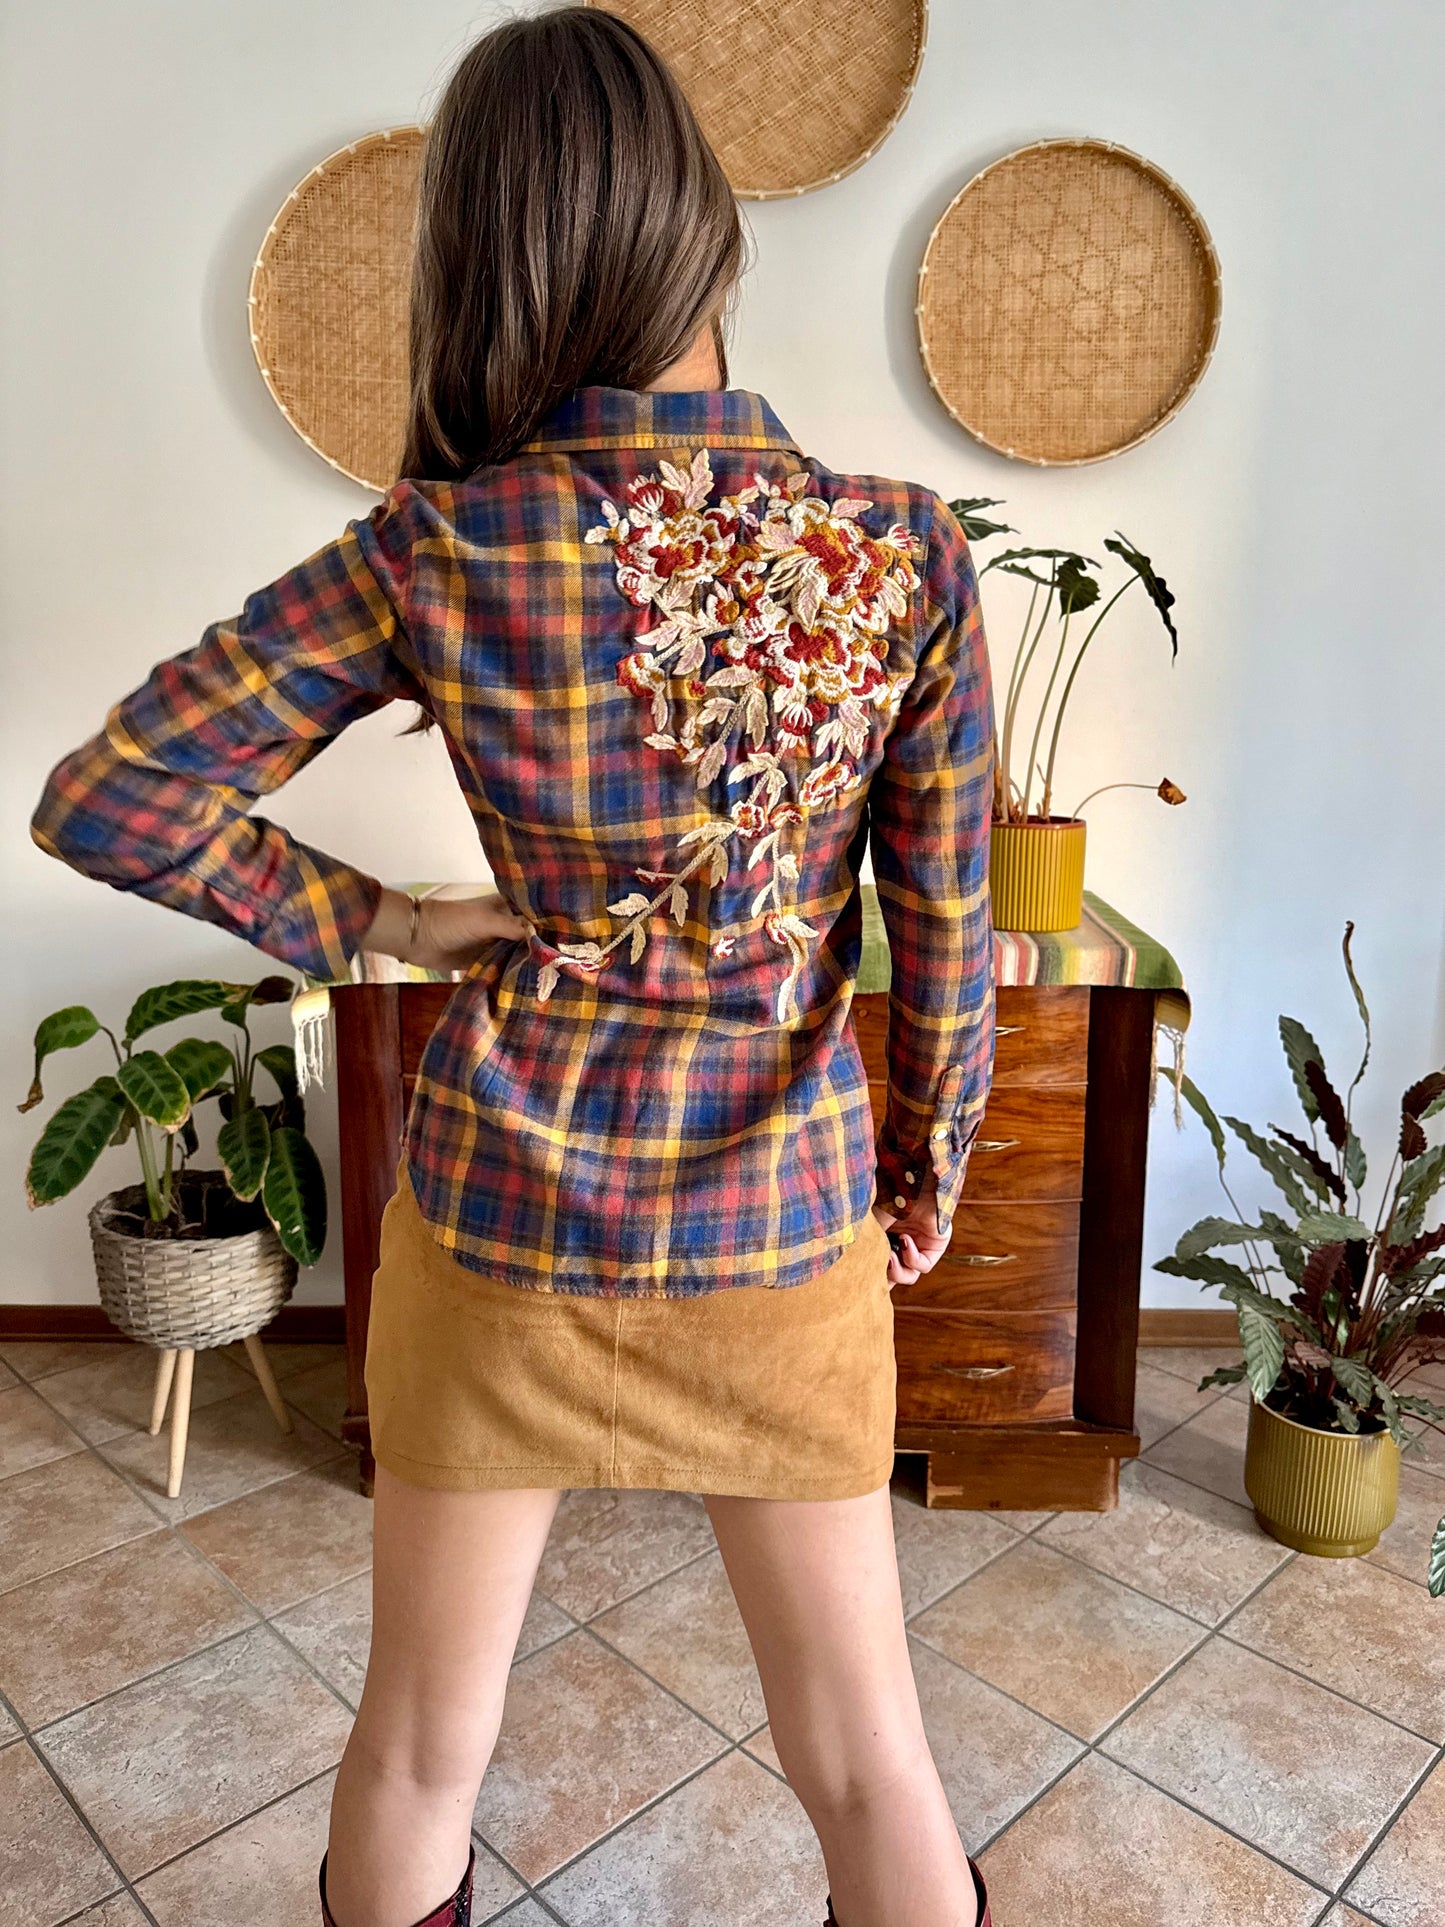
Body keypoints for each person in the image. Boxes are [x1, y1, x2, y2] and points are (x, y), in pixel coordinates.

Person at [30, 9, 996, 1925]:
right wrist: (923, 1165)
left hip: (503, 1222)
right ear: (707, 233)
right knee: (868, 1759)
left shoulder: (437, 546)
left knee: (415, 1747)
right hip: (783, 1230)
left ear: (480, 262)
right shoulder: (898, 551)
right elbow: (948, 939)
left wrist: (384, 928)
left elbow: (111, 794)